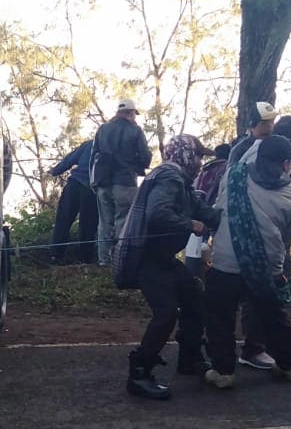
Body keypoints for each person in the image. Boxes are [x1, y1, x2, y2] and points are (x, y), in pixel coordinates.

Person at [113, 134, 218, 399]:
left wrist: (231, 217)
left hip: (164, 258)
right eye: (197, 156)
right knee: (166, 313)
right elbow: (158, 213)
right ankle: (139, 374)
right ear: (184, 155)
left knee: (194, 299)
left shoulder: (181, 182)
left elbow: (204, 211)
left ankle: (190, 359)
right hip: (148, 258)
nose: (199, 162)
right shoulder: (170, 177)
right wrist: (190, 225)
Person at [202, 134, 291, 389]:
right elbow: (287, 237)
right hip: (266, 267)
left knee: (220, 317)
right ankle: (289, 365)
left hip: (226, 261)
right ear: (286, 165)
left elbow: (219, 207)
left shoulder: (233, 177)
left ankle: (223, 371)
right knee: (273, 316)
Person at [89, 99, 152, 266]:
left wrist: (93, 182)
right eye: (134, 114)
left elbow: (93, 156)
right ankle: (121, 261)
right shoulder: (135, 131)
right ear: (130, 113)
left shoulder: (103, 129)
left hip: (103, 182)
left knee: (104, 222)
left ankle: (104, 261)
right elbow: (145, 158)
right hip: (125, 182)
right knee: (123, 221)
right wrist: (137, 165)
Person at [47, 139, 99, 264]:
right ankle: (85, 259)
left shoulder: (90, 144)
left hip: (74, 184)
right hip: (92, 188)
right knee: (88, 224)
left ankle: (56, 254)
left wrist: (54, 171)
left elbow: (69, 159)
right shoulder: (112, 146)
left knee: (63, 220)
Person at [185, 142, 232, 275]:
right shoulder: (227, 169)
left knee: (195, 248)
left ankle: (195, 273)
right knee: (209, 248)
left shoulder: (204, 169)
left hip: (196, 209)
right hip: (212, 212)